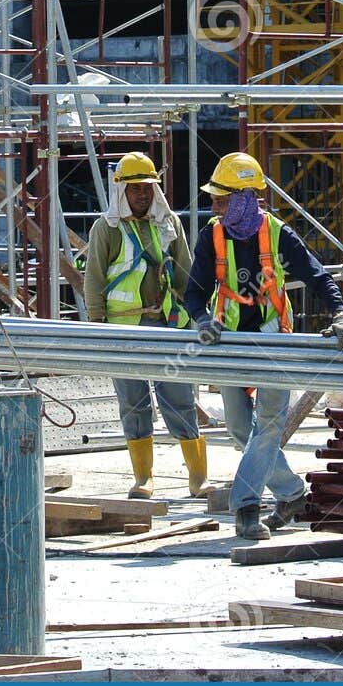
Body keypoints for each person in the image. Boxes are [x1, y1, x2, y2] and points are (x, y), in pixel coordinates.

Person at [183, 152, 343, 540]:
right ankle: (293, 494)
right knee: (237, 430)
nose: (213, 206)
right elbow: (194, 294)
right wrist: (202, 322)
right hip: (228, 341)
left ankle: (245, 509)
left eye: (221, 199)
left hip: (271, 340)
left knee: (267, 425)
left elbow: (318, 277)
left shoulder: (278, 233)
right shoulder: (211, 236)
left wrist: (340, 315)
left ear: (245, 197)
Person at [82, 152, 208, 499]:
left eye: (147, 188)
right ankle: (144, 479)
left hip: (167, 325)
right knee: (134, 403)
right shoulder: (106, 229)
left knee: (179, 398)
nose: (142, 195)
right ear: (122, 191)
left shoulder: (169, 224)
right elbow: (93, 278)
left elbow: (185, 271)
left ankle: (198, 477)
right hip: (124, 329)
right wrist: (97, 325)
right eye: (135, 189)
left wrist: (196, 316)